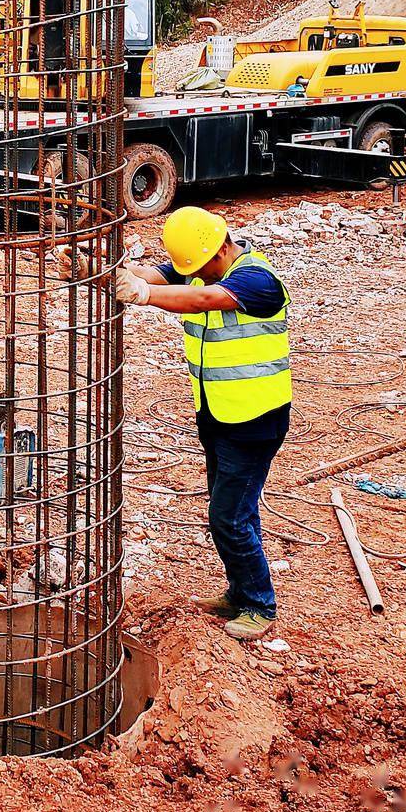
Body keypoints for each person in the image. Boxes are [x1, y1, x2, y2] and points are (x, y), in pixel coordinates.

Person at [116, 206, 291, 642]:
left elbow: (202, 300)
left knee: (228, 515)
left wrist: (141, 295)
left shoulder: (257, 280)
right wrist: (107, 271)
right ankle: (240, 592)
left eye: (197, 266)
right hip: (217, 414)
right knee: (233, 509)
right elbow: (157, 275)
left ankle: (258, 604)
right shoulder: (202, 270)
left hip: (255, 419)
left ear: (221, 249)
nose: (193, 275)